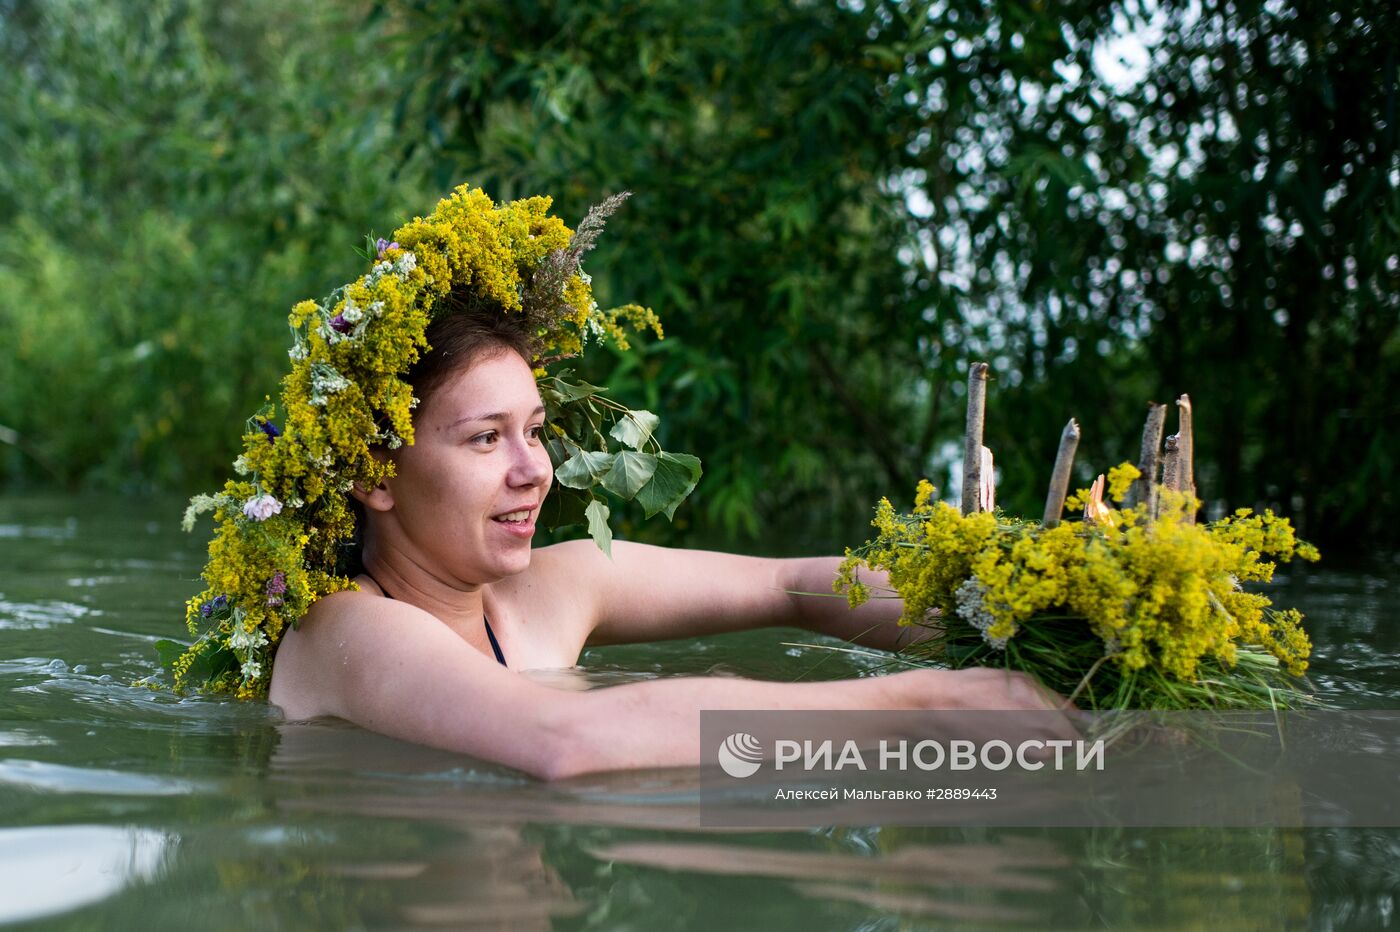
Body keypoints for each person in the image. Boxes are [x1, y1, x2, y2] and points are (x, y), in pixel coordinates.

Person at [266, 309, 1072, 781]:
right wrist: (923, 706)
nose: (533, 471)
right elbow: (567, 740)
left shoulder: (547, 593)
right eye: (485, 440)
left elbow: (790, 585)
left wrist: (1012, 612)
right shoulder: (343, 627)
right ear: (376, 473)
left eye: (537, 432)